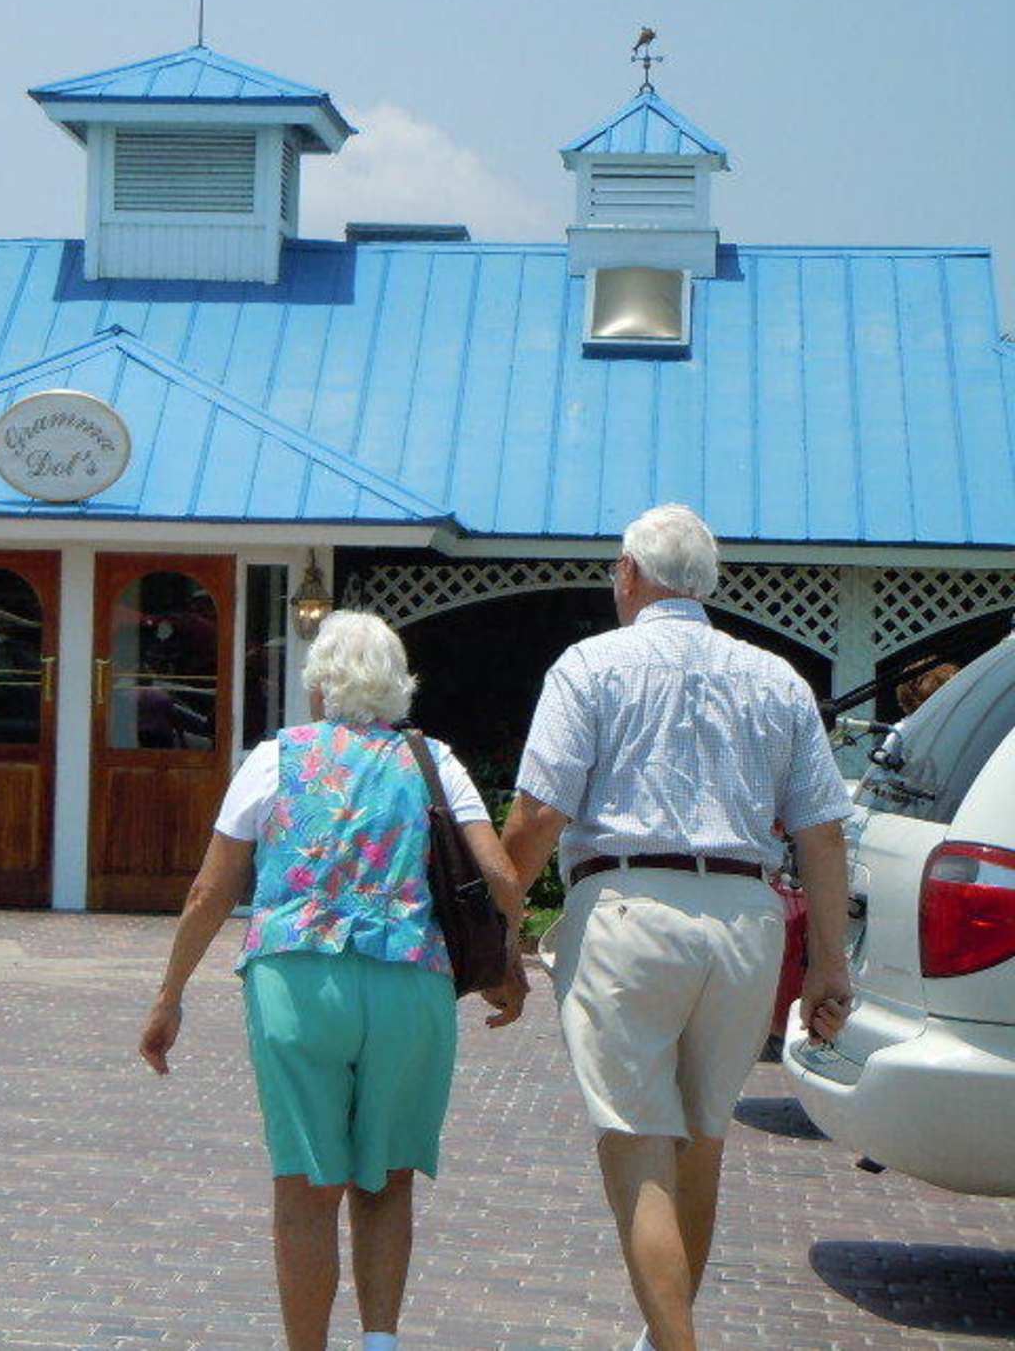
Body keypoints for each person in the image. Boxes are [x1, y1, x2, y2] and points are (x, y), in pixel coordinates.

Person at [498, 505, 853, 1351]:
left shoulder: (590, 666)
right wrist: (829, 965)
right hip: (745, 919)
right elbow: (823, 833)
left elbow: (540, 812)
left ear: (628, 572)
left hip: (627, 910)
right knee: (702, 1142)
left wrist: (497, 922)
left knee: (637, 1144)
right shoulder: (776, 678)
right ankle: (662, 1341)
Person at [138, 611, 525, 1351]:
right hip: (409, 979)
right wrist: (504, 966)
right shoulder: (433, 760)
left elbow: (210, 891)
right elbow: (502, 878)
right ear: (399, 685)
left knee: (307, 1186)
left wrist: (170, 996)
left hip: (297, 979)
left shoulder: (276, 758)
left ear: (319, 685)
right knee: (386, 1179)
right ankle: (380, 1342)